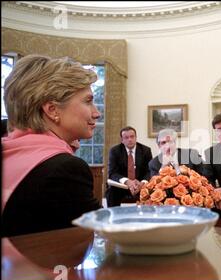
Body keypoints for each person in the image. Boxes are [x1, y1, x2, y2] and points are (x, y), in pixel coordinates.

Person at [2, 54, 102, 236]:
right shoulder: (65, 169)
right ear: (52, 110)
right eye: (88, 101)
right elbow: (101, 238)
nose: (97, 113)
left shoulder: (9, 152)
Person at [105, 126, 152, 207]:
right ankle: (114, 216)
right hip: (122, 186)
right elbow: (112, 173)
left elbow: (149, 171)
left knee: (153, 190)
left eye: (132, 136)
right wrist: (127, 181)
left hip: (140, 185)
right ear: (122, 140)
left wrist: (142, 183)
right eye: (126, 137)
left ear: (136, 138)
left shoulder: (146, 150)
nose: (129, 139)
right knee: (111, 191)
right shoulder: (115, 151)